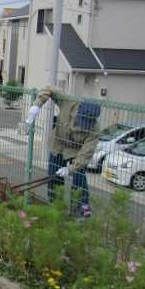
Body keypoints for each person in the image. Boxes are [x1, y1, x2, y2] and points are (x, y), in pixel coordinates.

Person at [25, 85, 101, 216]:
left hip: (75, 151)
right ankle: (55, 206)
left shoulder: (94, 129)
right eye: (82, 120)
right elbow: (49, 88)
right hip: (58, 144)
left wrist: (70, 168)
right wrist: (37, 105)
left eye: (87, 123)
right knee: (53, 177)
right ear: (78, 109)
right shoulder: (68, 102)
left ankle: (80, 208)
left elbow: (85, 154)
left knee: (79, 177)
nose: (81, 125)